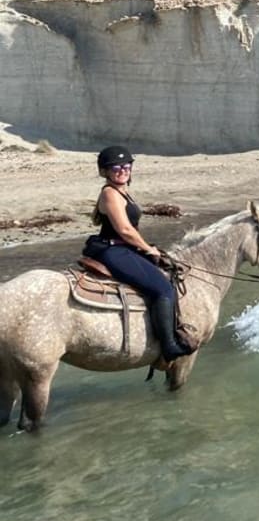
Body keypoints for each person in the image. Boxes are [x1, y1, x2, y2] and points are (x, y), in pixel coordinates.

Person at [82, 145, 194, 361]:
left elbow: (131, 230)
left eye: (126, 166)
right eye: (116, 167)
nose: (122, 171)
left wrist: (147, 249)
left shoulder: (122, 191)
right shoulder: (109, 193)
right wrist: (148, 248)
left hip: (124, 247)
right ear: (104, 171)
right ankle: (169, 346)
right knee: (163, 289)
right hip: (113, 250)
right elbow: (125, 230)